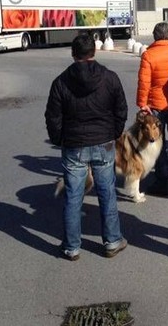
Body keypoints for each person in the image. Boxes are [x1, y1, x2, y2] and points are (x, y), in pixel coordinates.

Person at [45, 33, 128, 260]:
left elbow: (53, 117)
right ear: (94, 51)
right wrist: (114, 133)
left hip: (74, 145)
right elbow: (121, 109)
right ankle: (112, 241)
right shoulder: (110, 78)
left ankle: (72, 247)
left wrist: (59, 139)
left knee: (73, 196)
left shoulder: (60, 82)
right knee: (107, 192)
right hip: (104, 142)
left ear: (73, 54)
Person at [137, 22, 168, 195]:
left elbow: (144, 83)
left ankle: (162, 181)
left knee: (158, 144)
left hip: (155, 105)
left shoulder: (149, 55)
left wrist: (142, 104)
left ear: (155, 35)